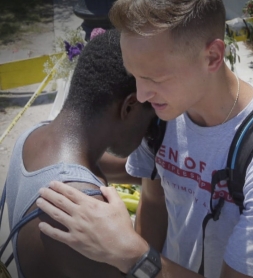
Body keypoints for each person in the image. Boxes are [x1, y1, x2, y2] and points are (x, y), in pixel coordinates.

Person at [36, 1, 253, 277]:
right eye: (135, 75)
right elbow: (155, 201)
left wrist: (132, 255)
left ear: (212, 57)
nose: (142, 95)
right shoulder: (163, 117)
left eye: (155, 79)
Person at [5, 29, 156, 277]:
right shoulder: (82, 206)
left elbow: (125, 167)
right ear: (129, 106)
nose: (150, 133)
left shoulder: (34, 137)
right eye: (152, 119)